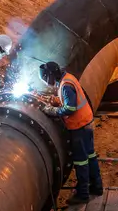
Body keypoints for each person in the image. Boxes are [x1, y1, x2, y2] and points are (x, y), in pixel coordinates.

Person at [39, 62, 103, 205]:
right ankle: (97, 186)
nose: (46, 83)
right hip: (87, 122)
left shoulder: (65, 86)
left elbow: (70, 108)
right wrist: (56, 101)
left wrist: (53, 111)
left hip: (79, 126)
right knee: (90, 156)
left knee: (81, 160)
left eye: (45, 79)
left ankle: (83, 194)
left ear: (50, 75)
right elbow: (69, 101)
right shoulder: (67, 78)